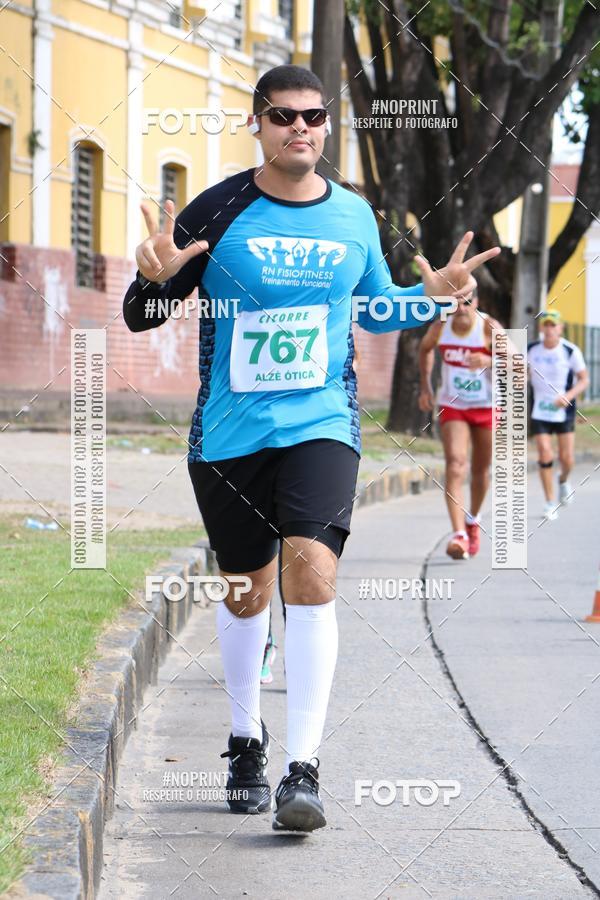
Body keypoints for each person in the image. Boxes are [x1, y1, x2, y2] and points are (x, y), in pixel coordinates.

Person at [122, 64, 500, 832]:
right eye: (285, 116)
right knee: (246, 590)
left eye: (315, 116)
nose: (302, 127)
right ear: (258, 125)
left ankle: (303, 767)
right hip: (229, 435)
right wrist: (154, 280)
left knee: (312, 574)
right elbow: (144, 311)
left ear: (328, 126)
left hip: (323, 425)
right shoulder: (221, 207)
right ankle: (242, 742)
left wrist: (430, 294)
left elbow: (377, 306)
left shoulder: (354, 216)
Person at [418, 290, 503, 559]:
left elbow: (519, 363)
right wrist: (425, 386)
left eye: (467, 303)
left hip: (487, 406)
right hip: (453, 405)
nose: (462, 309)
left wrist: (490, 360)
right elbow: (424, 349)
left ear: (476, 302)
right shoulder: (441, 327)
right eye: (455, 303)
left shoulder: (489, 327)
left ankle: (473, 520)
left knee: (480, 470)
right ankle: (459, 535)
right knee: (455, 465)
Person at [527, 309, 589, 520]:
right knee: (545, 453)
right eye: (546, 324)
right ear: (541, 328)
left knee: (567, 458)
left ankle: (563, 480)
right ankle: (550, 502)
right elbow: (521, 372)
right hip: (540, 409)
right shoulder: (532, 350)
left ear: (560, 328)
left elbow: (584, 379)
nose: (550, 329)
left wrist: (568, 396)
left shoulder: (570, 351)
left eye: (554, 325)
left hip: (564, 410)